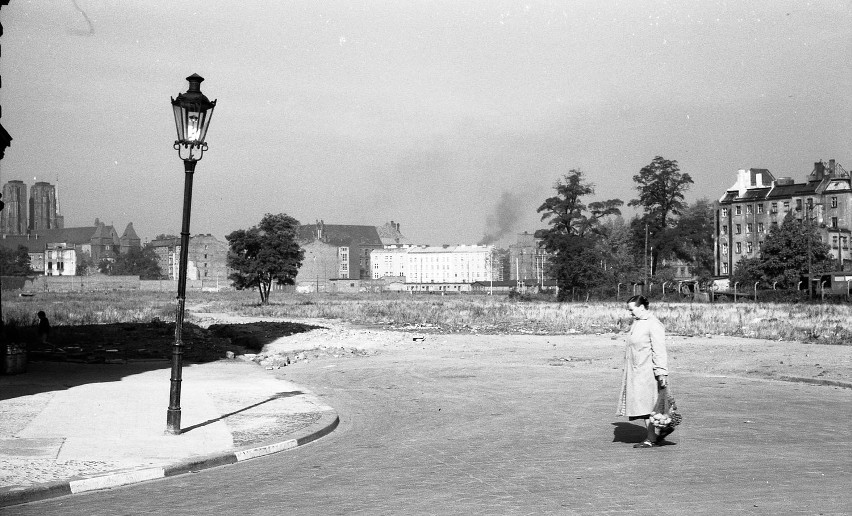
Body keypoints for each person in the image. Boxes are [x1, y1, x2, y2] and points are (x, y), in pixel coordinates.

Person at [616, 295, 671, 448]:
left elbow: (659, 350)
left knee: (649, 406)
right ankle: (656, 435)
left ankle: (652, 438)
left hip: (648, 372)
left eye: (632, 310)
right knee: (645, 405)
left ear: (641, 307)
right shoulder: (638, 323)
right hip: (637, 371)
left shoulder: (653, 324)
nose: (630, 313)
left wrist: (661, 372)